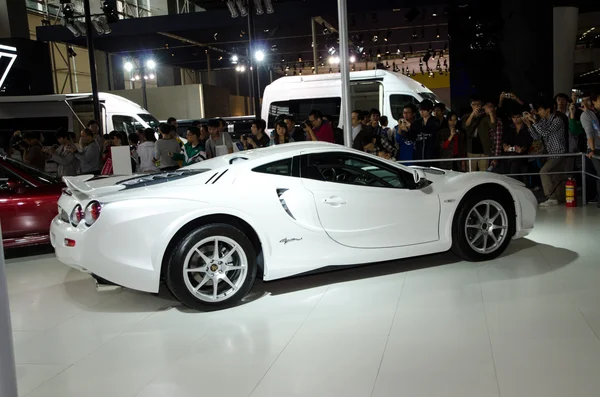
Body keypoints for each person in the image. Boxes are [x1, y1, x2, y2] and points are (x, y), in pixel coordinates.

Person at [523, 97, 568, 207]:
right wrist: (529, 125)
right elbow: (537, 137)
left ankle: (551, 197)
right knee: (557, 176)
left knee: (544, 171)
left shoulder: (557, 120)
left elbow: (545, 133)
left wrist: (534, 121)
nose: (538, 112)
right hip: (550, 153)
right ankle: (560, 198)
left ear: (548, 109)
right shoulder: (543, 121)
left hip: (559, 152)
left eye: (540, 110)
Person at [463, 96, 502, 171]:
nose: (477, 106)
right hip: (471, 151)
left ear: (482, 105)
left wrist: (490, 113)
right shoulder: (466, 116)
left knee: (484, 174)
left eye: (478, 104)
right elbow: (465, 126)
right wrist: (472, 114)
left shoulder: (486, 116)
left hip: (484, 152)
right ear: (471, 105)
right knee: (471, 175)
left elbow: (493, 126)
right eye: (474, 104)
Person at [499, 111, 533, 183]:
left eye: (517, 117)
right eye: (513, 117)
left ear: (522, 117)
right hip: (511, 155)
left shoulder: (527, 127)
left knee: (516, 165)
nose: (515, 119)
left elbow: (529, 141)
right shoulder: (509, 127)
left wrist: (523, 148)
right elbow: (504, 140)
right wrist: (505, 146)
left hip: (525, 155)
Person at [580, 92, 600, 207]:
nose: (586, 102)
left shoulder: (593, 114)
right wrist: (592, 150)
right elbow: (589, 133)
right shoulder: (586, 115)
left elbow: (597, 131)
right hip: (595, 149)